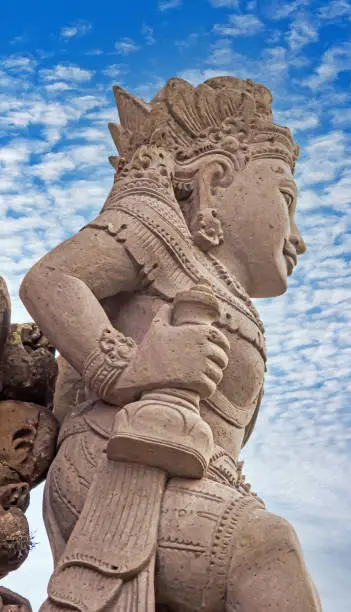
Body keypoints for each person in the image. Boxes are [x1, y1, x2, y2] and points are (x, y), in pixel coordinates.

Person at [20, 76, 321, 611]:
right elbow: (51, 281)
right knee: (265, 550)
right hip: (119, 467)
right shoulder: (153, 231)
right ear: (214, 181)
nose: (297, 236)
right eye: (287, 200)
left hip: (188, 472)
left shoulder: (225, 292)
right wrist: (129, 368)